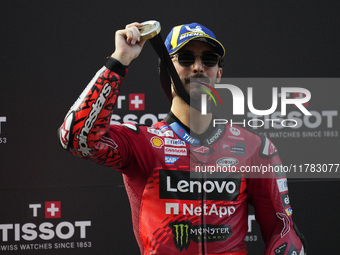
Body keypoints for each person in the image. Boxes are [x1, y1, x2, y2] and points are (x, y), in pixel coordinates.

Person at [58, 22, 306, 255]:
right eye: (186, 58)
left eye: (208, 60)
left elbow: (282, 230)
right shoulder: (143, 142)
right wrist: (120, 59)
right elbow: (76, 138)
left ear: (218, 74)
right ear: (166, 70)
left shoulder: (254, 147)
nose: (198, 67)